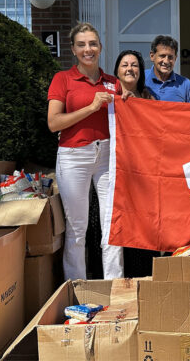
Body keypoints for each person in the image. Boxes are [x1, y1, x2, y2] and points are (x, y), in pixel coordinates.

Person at [47, 22, 124, 280]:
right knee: (77, 227)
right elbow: (53, 123)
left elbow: (129, 117)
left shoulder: (113, 82)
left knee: (112, 223)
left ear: (101, 47)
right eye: (81, 45)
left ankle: (114, 285)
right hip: (73, 155)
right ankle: (76, 288)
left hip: (107, 155)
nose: (87, 49)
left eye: (92, 44)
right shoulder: (63, 79)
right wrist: (91, 108)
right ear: (73, 49)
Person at [144, 35, 190, 102]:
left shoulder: (185, 84)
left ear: (175, 58)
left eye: (170, 57)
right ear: (152, 56)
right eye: (162, 56)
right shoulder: (140, 79)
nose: (166, 61)